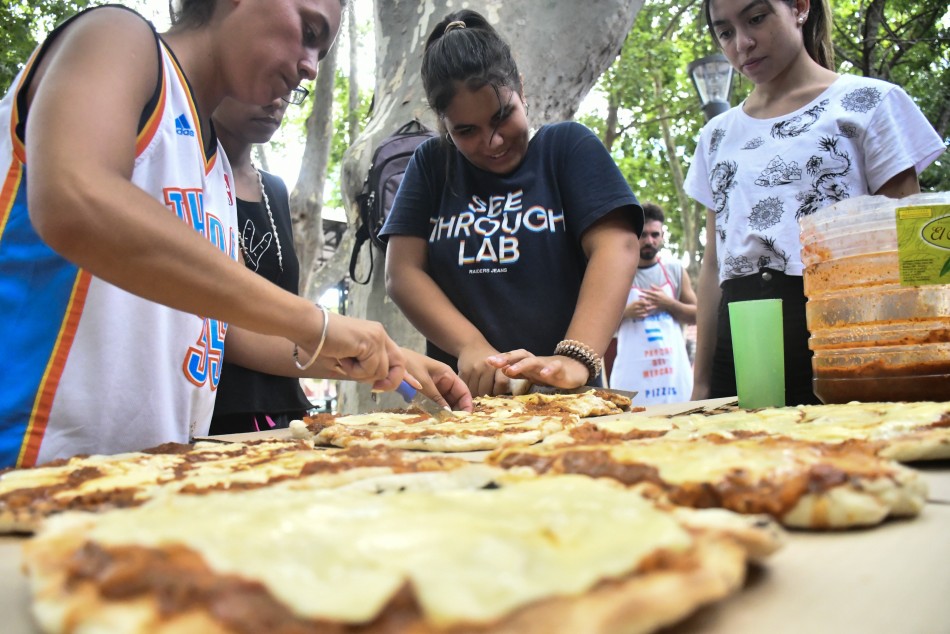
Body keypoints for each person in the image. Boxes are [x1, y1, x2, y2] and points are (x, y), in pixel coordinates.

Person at [0, 0, 469, 469]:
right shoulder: (117, 38)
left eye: (322, 51)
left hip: (129, 479)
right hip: (26, 460)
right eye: (307, 31)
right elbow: (77, 196)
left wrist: (385, 354)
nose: (309, 67)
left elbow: (236, 330)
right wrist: (317, 323)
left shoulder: (220, 171)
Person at [685, 0, 945, 406]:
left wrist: (912, 360)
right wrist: (700, 384)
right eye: (725, 32)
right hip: (739, 338)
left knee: (846, 461)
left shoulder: (868, 102)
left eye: (756, 18)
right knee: (735, 461)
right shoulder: (716, 135)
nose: (743, 44)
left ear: (799, 8)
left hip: (845, 333)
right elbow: (714, 264)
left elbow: (908, 253)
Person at [381, 9, 643, 397]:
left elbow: (616, 245)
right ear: (444, 124)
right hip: (465, 404)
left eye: (502, 116)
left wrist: (575, 358)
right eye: (466, 131)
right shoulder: (431, 165)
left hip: (569, 403)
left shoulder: (567, 147)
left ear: (521, 88)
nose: (493, 141)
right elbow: (401, 273)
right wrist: (471, 346)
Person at [208, 94, 313, 435]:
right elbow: (230, 333)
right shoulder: (191, 177)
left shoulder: (275, 189)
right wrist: (347, 351)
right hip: (218, 412)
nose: (277, 99)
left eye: (291, 88)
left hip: (284, 405)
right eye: (269, 82)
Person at [610, 203, 696, 404]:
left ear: (663, 236)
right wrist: (626, 312)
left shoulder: (675, 271)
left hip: (672, 376)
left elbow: (697, 315)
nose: (649, 240)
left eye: (655, 235)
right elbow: (597, 324)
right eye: (643, 235)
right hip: (633, 376)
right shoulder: (618, 274)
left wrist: (669, 304)